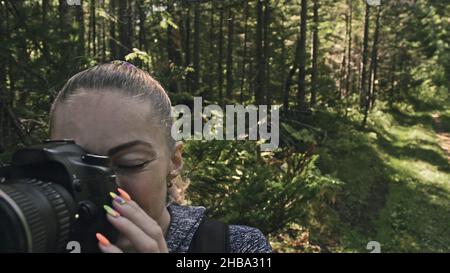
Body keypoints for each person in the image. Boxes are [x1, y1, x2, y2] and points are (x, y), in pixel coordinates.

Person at [48, 61, 272, 253]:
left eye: (129, 163)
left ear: (174, 161)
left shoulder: (235, 247)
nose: (99, 185)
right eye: (76, 162)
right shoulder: (34, 239)